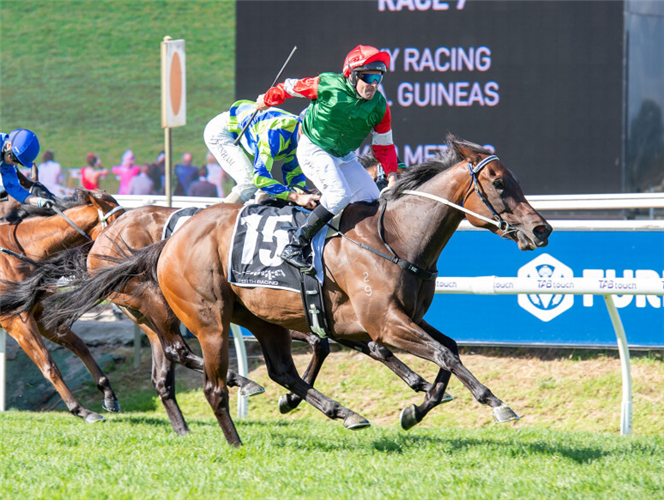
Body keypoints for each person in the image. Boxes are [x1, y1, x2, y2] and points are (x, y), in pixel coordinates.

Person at [255, 45, 399, 269]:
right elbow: (289, 87)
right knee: (339, 195)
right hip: (313, 148)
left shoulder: (380, 107)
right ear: (351, 75)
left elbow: (384, 146)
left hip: (344, 156)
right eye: (368, 76)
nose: (373, 84)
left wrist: (392, 176)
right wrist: (268, 99)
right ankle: (295, 245)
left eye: (378, 77)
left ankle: (349, 246)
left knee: (371, 198)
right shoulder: (326, 84)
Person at [203, 100, 318, 208]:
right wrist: (296, 197)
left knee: (265, 191)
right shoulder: (274, 132)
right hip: (221, 132)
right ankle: (213, 219)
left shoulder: (301, 138)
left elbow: (294, 176)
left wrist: (303, 194)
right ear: (302, 127)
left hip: (246, 135)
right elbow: (260, 178)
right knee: (249, 182)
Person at [0, 129, 54, 207]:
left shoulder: (7, 159)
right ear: (8, 146)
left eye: (19, 162)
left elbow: (13, 188)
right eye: (15, 159)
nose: (15, 164)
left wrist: (37, 200)